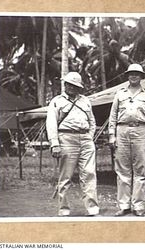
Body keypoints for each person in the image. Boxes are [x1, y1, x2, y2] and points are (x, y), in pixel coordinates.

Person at [46, 72, 99, 216]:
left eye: (74, 85)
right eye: (68, 84)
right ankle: (64, 208)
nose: (71, 87)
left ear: (79, 87)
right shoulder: (56, 101)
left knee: (89, 173)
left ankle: (92, 208)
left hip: (86, 139)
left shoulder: (85, 101)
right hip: (66, 138)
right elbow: (51, 123)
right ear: (64, 85)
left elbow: (92, 121)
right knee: (66, 176)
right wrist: (55, 143)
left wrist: (89, 136)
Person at [108, 63, 145, 217]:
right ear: (127, 76)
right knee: (122, 169)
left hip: (141, 130)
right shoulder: (120, 93)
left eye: (137, 73)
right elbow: (113, 115)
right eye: (131, 74)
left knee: (140, 169)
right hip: (122, 130)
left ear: (141, 76)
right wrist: (112, 134)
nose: (134, 76)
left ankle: (138, 205)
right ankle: (124, 205)